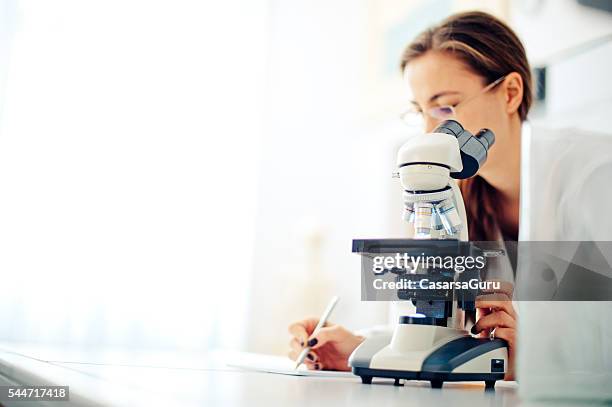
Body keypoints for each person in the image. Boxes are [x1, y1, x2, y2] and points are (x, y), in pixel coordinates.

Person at [288, 10, 539, 381]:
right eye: (418, 111)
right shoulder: (449, 197)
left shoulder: (588, 183)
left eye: (444, 108)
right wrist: (359, 347)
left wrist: (532, 363)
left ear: (510, 92)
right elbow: (434, 328)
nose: (428, 130)